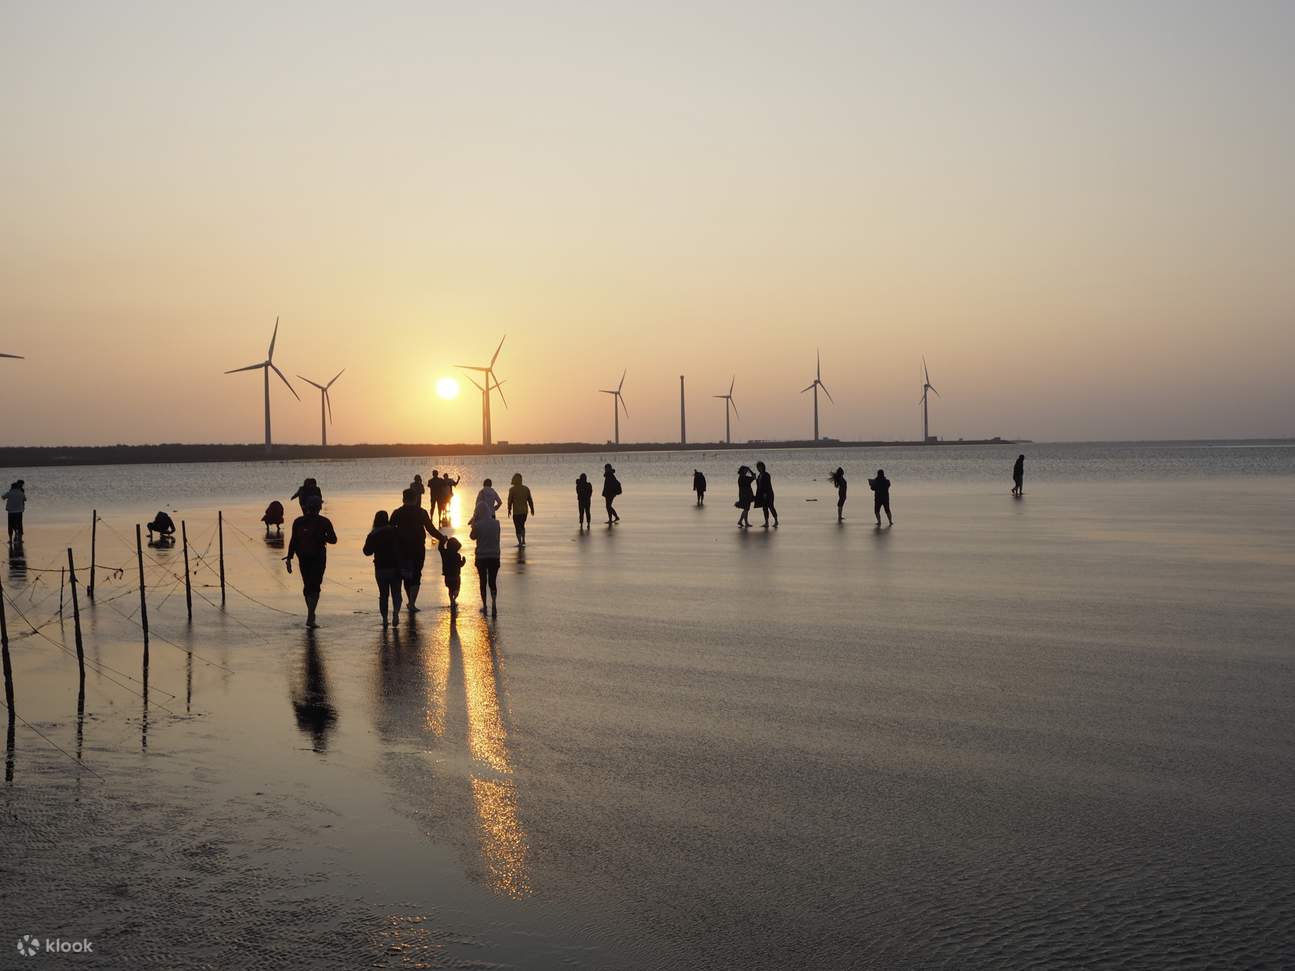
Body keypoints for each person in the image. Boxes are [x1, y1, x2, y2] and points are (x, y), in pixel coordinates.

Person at [389, 487, 446, 614]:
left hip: (401, 549)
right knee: (416, 574)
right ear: (415, 499)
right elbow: (430, 529)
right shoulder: (421, 512)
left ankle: (410, 600)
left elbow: (390, 529)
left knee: (405, 575)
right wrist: (442, 538)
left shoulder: (397, 512)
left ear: (403, 499)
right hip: (418, 548)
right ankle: (412, 602)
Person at [285, 494, 337, 628]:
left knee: (307, 585)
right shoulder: (324, 521)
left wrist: (289, 557)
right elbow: (334, 540)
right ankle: (311, 615)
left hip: (302, 556)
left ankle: (311, 613)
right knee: (316, 586)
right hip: (318, 557)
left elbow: (293, 540)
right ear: (319, 507)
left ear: (306, 507)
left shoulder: (298, 521)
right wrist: (323, 537)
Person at [363, 510, 402, 626]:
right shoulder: (395, 532)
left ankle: (385, 619)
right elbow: (402, 546)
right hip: (395, 567)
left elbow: (367, 551)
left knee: (383, 595)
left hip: (380, 568)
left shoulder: (373, 534)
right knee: (396, 593)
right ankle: (395, 614)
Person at [470, 506, 502, 616]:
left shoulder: (478, 525)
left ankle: (484, 605)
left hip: (481, 557)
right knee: (492, 581)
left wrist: (474, 523)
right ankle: (494, 602)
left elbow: (472, 537)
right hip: (494, 555)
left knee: (483, 581)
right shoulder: (496, 523)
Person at [439, 536, 466, 614]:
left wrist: (443, 540)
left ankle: (452, 601)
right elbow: (460, 565)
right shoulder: (457, 555)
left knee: (450, 589)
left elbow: (440, 548)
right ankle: (454, 598)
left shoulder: (444, 553)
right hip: (456, 577)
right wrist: (463, 562)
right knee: (457, 589)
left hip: (447, 576)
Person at [506, 473, 535, 547]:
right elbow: (530, 500)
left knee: (517, 526)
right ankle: (523, 540)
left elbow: (510, 501)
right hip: (524, 511)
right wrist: (532, 509)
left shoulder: (512, 490)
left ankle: (520, 542)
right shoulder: (526, 488)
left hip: (516, 512)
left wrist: (509, 510)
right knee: (522, 525)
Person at [754, 461, 778, 528]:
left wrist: (765, 493)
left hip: (769, 493)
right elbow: (759, 486)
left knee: (771, 507)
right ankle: (766, 522)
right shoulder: (759, 476)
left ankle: (776, 521)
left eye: (759, 467)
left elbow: (767, 485)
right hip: (762, 494)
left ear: (763, 467)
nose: (758, 469)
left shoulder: (766, 474)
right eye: (757, 467)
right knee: (764, 508)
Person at [3, 480, 26, 545]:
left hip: (11, 511)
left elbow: (3, 497)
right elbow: (25, 499)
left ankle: (11, 539)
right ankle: (19, 538)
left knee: (10, 525)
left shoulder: (10, 492)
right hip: (19, 510)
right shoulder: (21, 492)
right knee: (19, 524)